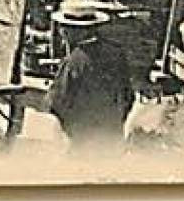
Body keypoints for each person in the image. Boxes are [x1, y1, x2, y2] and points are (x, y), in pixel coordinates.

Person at [48, 12, 135, 151]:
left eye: (65, 29)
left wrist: (70, 129)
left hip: (83, 140)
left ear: (75, 32)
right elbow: (128, 97)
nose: (62, 33)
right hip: (111, 138)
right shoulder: (116, 54)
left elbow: (57, 102)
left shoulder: (73, 62)